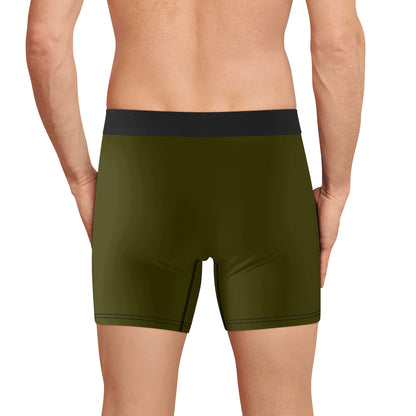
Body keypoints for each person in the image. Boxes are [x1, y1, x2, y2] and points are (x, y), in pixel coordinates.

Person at [26, 0, 365, 414]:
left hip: (140, 165)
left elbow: (45, 39)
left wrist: (81, 179)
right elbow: (338, 43)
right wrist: (336, 189)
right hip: (263, 167)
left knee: (131, 405)